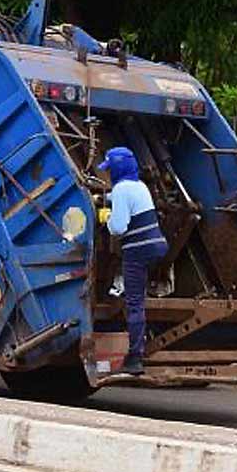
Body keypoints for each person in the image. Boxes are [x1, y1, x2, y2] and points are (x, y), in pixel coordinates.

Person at [98, 147, 168, 376]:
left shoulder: (120, 189)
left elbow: (118, 227)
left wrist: (105, 217)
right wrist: (105, 199)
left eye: (109, 169)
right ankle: (146, 335)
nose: (108, 174)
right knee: (139, 296)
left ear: (116, 169)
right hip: (158, 245)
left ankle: (135, 358)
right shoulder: (140, 186)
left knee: (134, 302)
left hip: (137, 251)